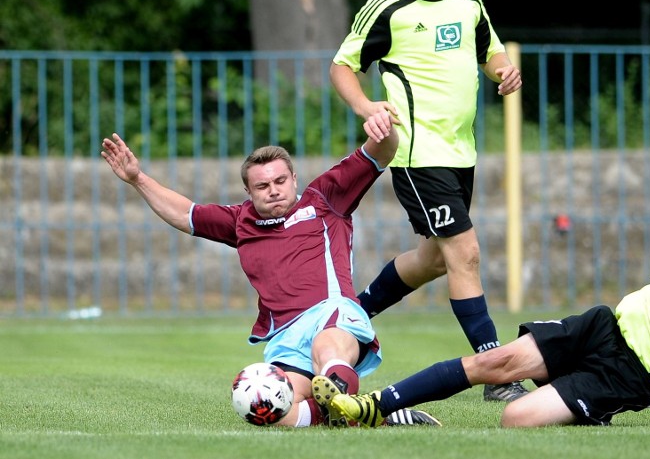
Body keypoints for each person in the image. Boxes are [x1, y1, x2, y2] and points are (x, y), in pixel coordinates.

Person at [314, 183, 650, 429]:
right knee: (493, 363)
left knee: (516, 418)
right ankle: (372, 406)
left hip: (625, 375)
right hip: (601, 327)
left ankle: (591, 410)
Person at [100, 111, 439, 428]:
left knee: (328, 350)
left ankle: (353, 401)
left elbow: (380, 152)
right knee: (271, 409)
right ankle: (369, 413)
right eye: (262, 186)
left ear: (293, 179)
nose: (274, 190)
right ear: (248, 192)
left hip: (332, 314)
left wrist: (384, 127)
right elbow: (184, 214)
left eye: (280, 181)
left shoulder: (325, 199)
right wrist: (137, 179)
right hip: (286, 337)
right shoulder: (240, 221)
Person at [329, 0, 526, 402]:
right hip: (418, 154)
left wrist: (504, 71)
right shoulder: (387, 9)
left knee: (435, 260)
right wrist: (367, 106)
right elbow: (342, 66)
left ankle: (350, 315)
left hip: (462, 151)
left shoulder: (468, 0)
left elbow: (491, 51)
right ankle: (496, 367)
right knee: (466, 252)